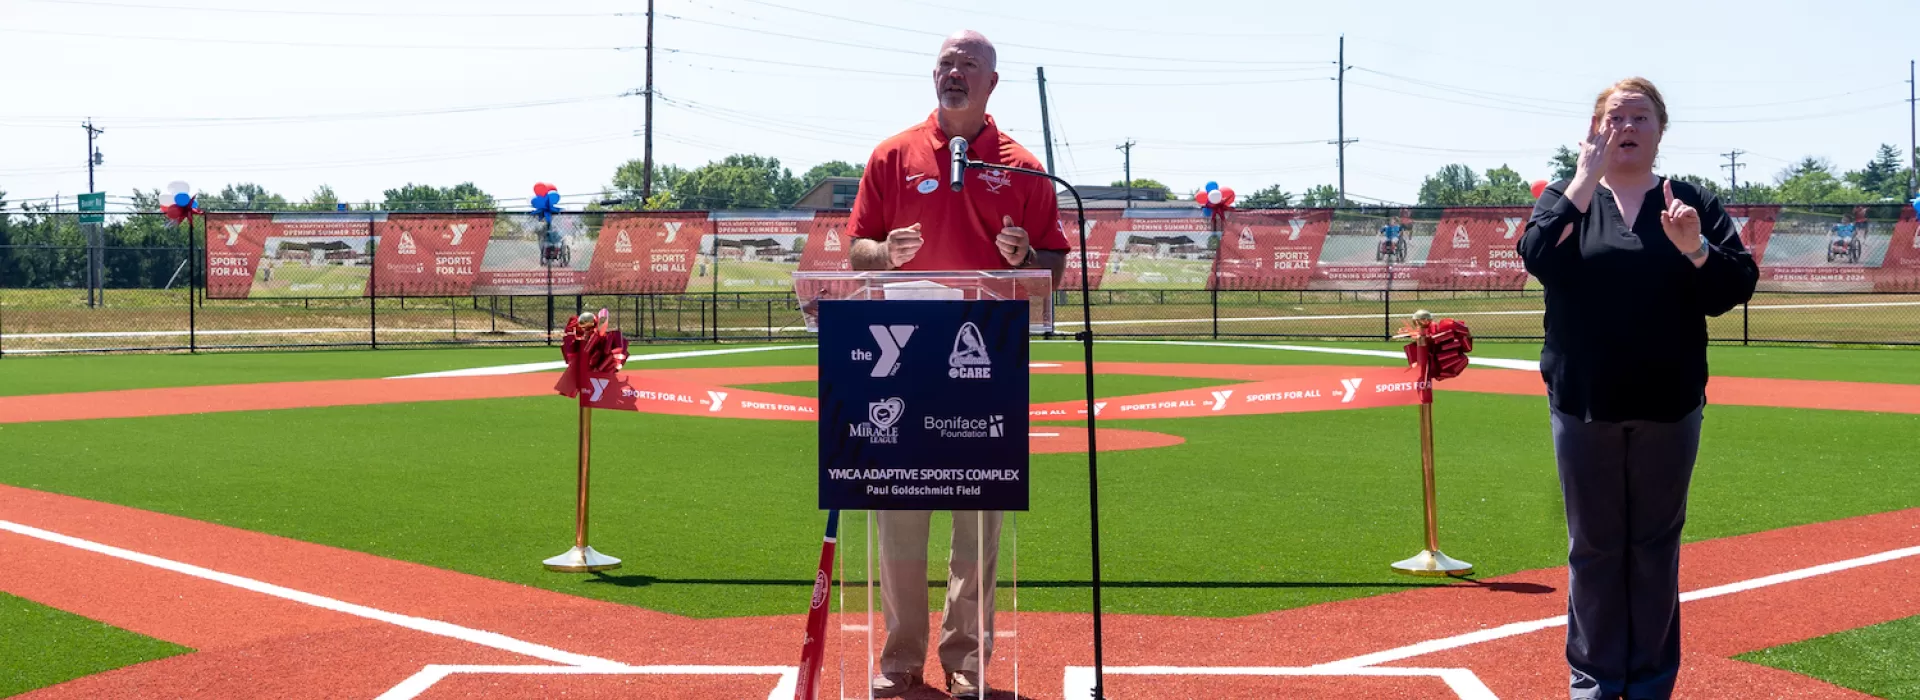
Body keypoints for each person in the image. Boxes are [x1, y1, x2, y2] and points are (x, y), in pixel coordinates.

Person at [1517, 77, 1758, 700]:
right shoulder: (1566, 200)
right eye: (1615, 117)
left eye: (1641, 117)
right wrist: (1579, 182)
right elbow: (1537, 255)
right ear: (1595, 129)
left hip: (1669, 402)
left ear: (1660, 129)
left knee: (1653, 549)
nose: (1628, 126)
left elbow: (1735, 287)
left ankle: (1650, 683)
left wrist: (1696, 248)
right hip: (1584, 401)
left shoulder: (1691, 200)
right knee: (1593, 550)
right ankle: (1594, 682)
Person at [846, 29, 1069, 700]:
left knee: (976, 524)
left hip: (985, 361)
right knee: (901, 522)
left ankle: (967, 661)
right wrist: (884, 255)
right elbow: (856, 248)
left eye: (969, 64)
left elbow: (1055, 265)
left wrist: (1025, 260)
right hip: (902, 359)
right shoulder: (891, 156)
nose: (955, 72)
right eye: (946, 63)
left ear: (991, 84)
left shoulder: (1026, 168)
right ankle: (900, 660)